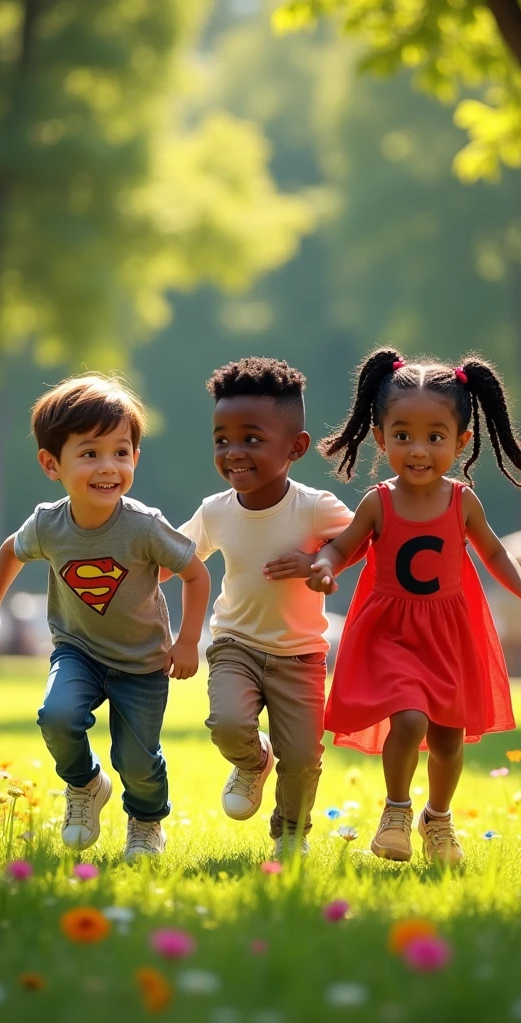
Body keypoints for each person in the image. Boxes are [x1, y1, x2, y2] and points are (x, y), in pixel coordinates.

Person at [306, 349, 521, 865]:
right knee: (407, 719)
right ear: (380, 436)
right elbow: (345, 545)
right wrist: (325, 565)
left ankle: (439, 820)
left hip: (451, 634)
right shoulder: (379, 501)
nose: (418, 450)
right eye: (402, 435)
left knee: (449, 737)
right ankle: (397, 812)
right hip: (393, 632)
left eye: (434, 436)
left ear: (461, 441)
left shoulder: (461, 501)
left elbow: (493, 551)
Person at [0, 374, 210, 861]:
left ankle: (145, 823)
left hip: (142, 661)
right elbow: (10, 552)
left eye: (121, 452)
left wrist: (187, 642)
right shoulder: (48, 524)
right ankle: (85, 785)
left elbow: (197, 574)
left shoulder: (143, 526)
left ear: (135, 459)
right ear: (51, 464)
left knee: (137, 759)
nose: (108, 467)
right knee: (56, 717)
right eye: (90, 453)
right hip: (77, 650)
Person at [162, 357, 359, 859]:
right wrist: (127, 571)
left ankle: (290, 835)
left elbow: (366, 537)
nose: (233, 453)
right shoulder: (215, 510)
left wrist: (319, 560)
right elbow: (175, 558)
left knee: (303, 758)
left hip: (301, 654)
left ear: (296, 447)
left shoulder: (314, 507)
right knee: (228, 723)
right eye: (221, 439)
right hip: (235, 644)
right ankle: (252, 762)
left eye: (251, 439)